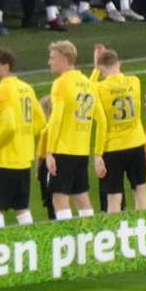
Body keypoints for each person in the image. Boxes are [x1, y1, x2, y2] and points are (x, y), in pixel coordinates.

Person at [0, 48, 44, 229]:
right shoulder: (25, 87)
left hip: (4, 160)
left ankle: (0, 248)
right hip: (23, 159)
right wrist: (24, 136)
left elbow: (9, 126)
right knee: (21, 208)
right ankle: (31, 243)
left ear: (5, 67)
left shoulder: (1, 91)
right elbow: (40, 120)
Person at [45, 40, 102, 219]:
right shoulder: (88, 83)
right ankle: (89, 238)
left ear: (65, 60)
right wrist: (98, 153)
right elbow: (102, 121)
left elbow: (56, 119)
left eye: (52, 58)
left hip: (63, 149)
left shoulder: (61, 83)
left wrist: (49, 152)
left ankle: (67, 242)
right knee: (81, 196)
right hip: (81, 151)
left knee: (59, 198)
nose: (49, 62)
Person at [90, 44, 146, 213]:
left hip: (112, 148)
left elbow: (88, 88)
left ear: (101, 69)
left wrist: (97, 154)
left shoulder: (99, 88)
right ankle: (144, 231)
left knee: (114, 198)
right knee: (140, 192)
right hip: (136, 144)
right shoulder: (134, 82)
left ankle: (115, 236)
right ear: (119, 64)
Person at [34, 94, 55, 221]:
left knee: (51, 201)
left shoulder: (47, 130)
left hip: (48, 168)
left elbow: (40, 156)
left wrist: (37, 172)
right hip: (65, 164)